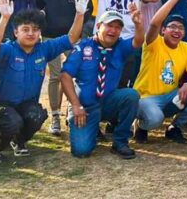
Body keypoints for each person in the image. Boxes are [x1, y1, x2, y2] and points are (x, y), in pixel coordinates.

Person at [0, 0, 87, 163]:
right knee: (12, 121)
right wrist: (4, 18)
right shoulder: (8, 50)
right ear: (16, 32)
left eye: (35, 29)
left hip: (25, 104)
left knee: (37, 115)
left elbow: (71, 38)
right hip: (0, 105)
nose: (31, 33)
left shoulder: (44, 49)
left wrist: (80, 14)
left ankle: (19, 141)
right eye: (25, 29)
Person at [60, 9, 142, 159]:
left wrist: (137, 24)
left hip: (108, 102)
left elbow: (138, 41)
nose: (113, 30)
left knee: (131, 95)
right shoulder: (82, 47)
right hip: (85, 107)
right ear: (98, 26)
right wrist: (76, 105)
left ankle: (120, 142)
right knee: (82, 151)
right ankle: (91, 129)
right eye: (109, 25)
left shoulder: (121, 47)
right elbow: (65, 76)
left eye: (118, 27)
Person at [132, 0, 187, 144]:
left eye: (181, 28)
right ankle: (141, 126)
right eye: (172, 27)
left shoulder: (186, 48)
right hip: (145, 97)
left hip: (170, 96)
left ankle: (174, 127)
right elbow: (155, 23)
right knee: (156, 119)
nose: (177, 30)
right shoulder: (154, 42)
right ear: (164, 30)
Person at [38, 0, 87, 135]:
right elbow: (38, 5)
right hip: (50, 35)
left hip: (73, 36)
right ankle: (55, 117)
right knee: (56, 76)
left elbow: (86, 5)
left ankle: (71, 111)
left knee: (75, 74)